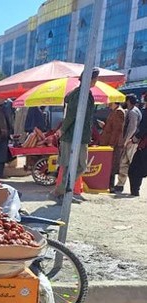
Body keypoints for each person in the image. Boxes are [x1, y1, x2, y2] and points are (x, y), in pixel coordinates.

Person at [50, 67, 100, 202]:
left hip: (80, 136)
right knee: (71, 166)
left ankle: (63, 193)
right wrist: (62, 130)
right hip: (72, 136)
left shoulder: (85, 93)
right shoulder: (79, 94)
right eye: (95, 79)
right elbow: (71, 116)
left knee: (78, 166)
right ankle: (60, 193)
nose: (96, 81)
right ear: (91, 79)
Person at [115, 94, 142, 193]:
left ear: (128, 101)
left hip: (132, 142)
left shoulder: (133, 112)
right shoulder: (133, 111)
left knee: (131, 164)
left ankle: (133, 187)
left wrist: (126, 141)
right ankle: (120, 184)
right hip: (131, 141)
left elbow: (132, 128)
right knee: (123, 163)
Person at [99, 102, 125, 190]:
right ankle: (108, 185)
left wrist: (111, 145)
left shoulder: (118, 112)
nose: (107, 103)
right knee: (109, 165)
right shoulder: (114, 111)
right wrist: (105, 126)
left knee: (111, 165)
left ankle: (111, 186)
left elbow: (117, 130)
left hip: (112, 144)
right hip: (108, 143)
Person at [128, 112, 147, 196]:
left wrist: (134, 139)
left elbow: (143, 128)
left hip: (144, 147)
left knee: (135, 170)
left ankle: (135, 191)